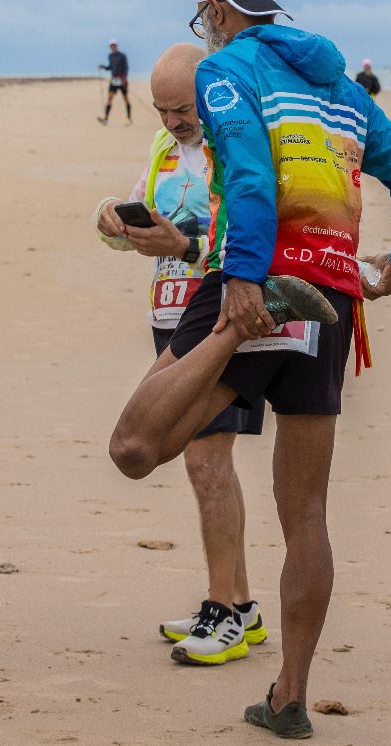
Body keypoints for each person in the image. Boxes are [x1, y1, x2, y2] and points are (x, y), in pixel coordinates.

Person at [109, 0, 391, 738]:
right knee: (309, 516)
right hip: (333, 297)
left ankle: (230, 332)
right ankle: (289, 695)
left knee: (134, 445)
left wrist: (242, 287)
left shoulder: (228, 71)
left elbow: (251, 178)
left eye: (205, 21)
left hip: (256, 275)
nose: (207, 34)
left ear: (220, 14)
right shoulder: (344, 90)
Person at [95, 43, 273, 666]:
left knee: (206, 461)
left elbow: (247, 239)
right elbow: (146, 218)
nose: (173, 120)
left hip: (222, 315)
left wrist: (189, 245)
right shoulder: (163, 149)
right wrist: (113, 220)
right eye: (162, 109)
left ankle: (222, 610)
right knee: (207, 467)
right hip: (168, 313)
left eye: (183, 108)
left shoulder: (240, 142)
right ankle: (243, 606)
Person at [99, 40, 132, 125]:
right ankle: (105, 118)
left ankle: (129, 118)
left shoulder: (122, 56)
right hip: (113, 80)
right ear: (110, 47)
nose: (113, 47)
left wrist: (124, 79)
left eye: (114, 45)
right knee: (109, 98)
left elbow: (126, 68)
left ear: (117, 46)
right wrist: (102, 67)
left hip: (122, 80)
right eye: (111, 46)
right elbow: (110, 67)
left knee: (126, 99)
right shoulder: (110, 56)